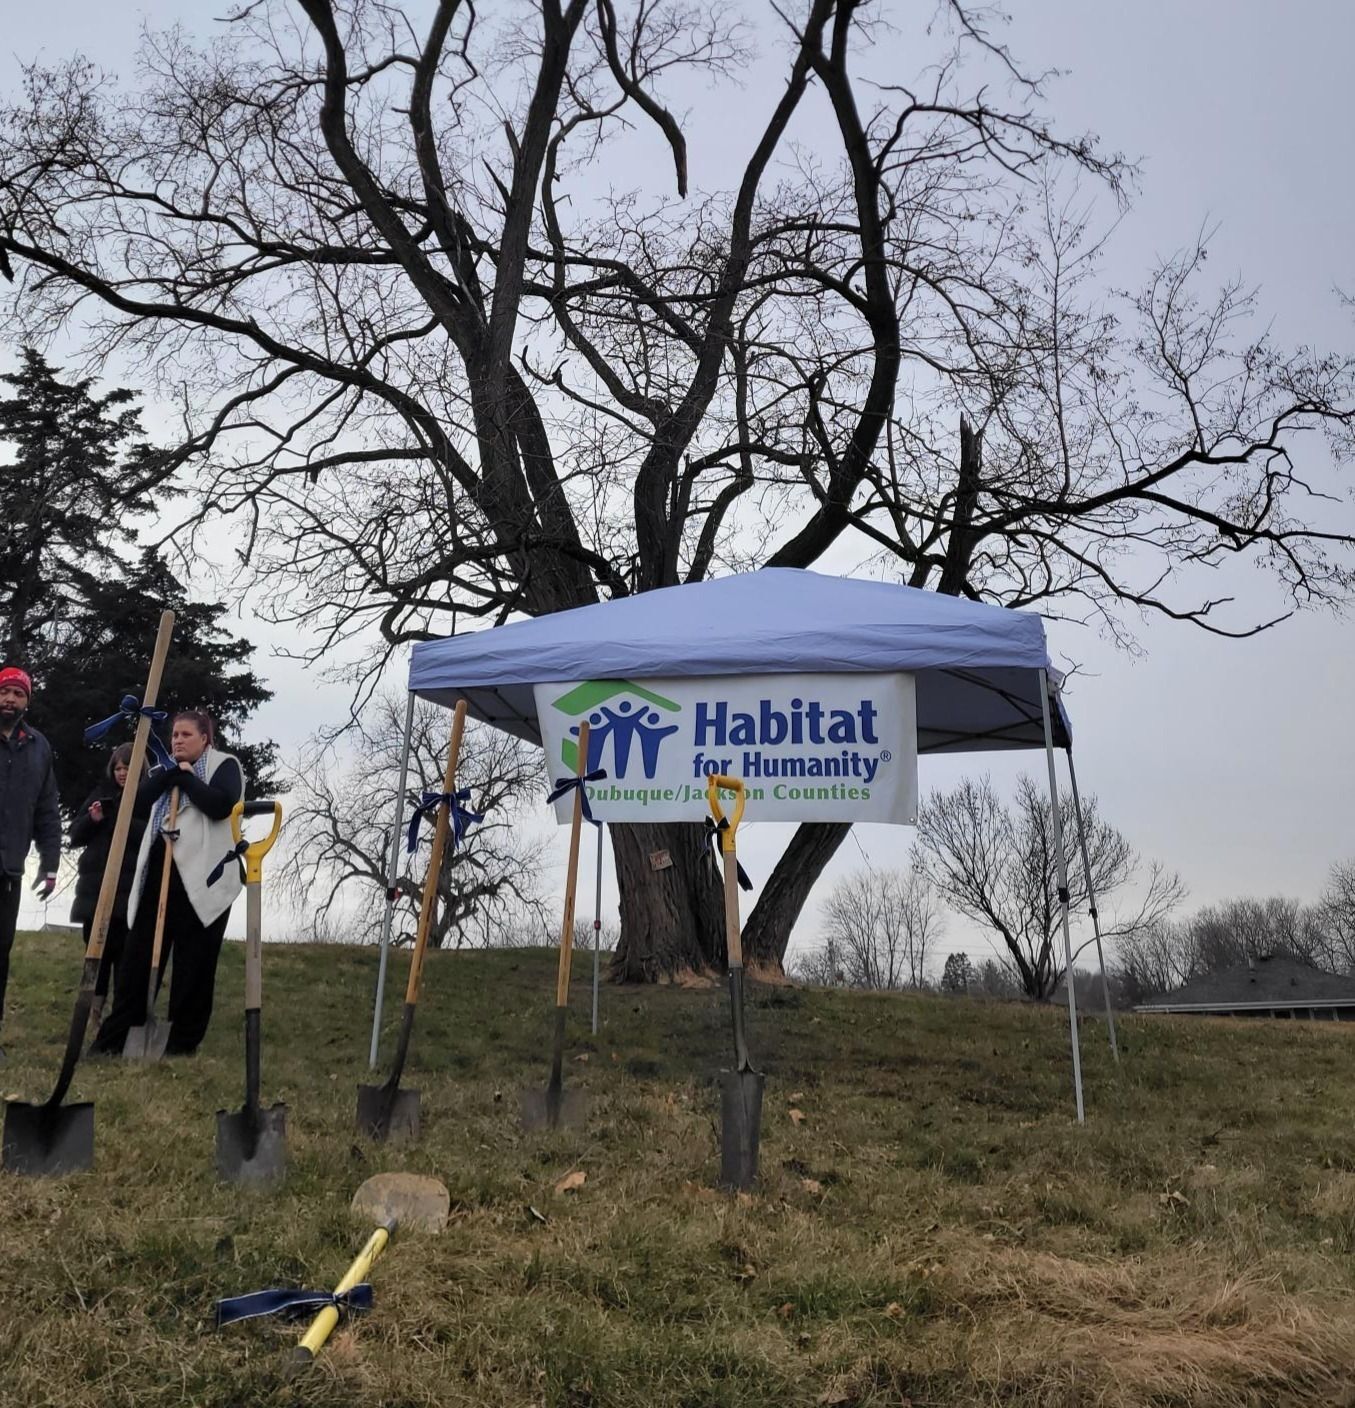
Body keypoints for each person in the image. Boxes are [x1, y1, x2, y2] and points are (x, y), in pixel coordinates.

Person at [90, 709, 245, 1057]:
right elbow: (138, 803)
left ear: (205, 738)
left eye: (186, 735)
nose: (177, 740)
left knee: (195, 967)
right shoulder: (163, 772)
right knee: (136, 962)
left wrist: (188, 781)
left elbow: (220, 804)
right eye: (174, 735)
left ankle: (181, 1043)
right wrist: (172, 777)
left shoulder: (224, 765)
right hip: (160, 878)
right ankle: (114, 1040)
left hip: (204, 880)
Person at [0, 665, 61, 1057]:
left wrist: (51, 862)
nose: (9, 700)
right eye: (5, 692)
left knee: (0, 952)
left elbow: (46, 809)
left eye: (18, 694)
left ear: (27, 701)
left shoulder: (39, 747)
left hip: (9, 868)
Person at [69, 742, 147, 1011]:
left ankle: (121, 1013)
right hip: (95, 889)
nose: (122, 773)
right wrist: (94, 820)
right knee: (95, 955)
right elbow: (75, 835)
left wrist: (122, 820)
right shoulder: (100, 795)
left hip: (127, 891)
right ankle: (93, 1011)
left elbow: (151, 838)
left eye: (127, 768)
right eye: (118, 768)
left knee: (124, 957)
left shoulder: (146, 799)